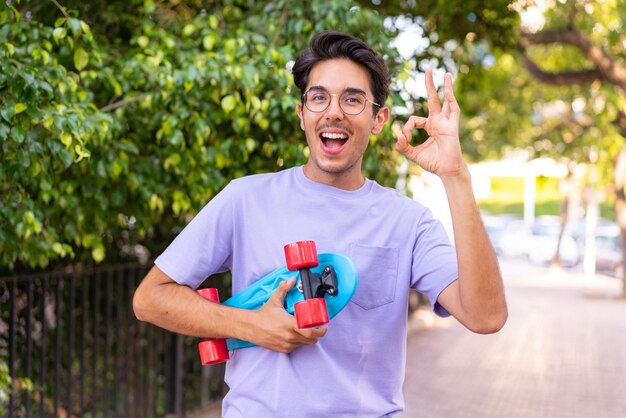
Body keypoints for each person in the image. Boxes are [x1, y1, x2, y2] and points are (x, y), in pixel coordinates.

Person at [133, 31, 507, 417]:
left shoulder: (409, 222)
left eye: (352, 99)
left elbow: (486, 316)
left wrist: (455, 175)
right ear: (302, 114)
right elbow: (150, 299)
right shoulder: (245, 199)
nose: (333, 112)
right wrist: (249, 325)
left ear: (378, 119)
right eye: (318, 97)